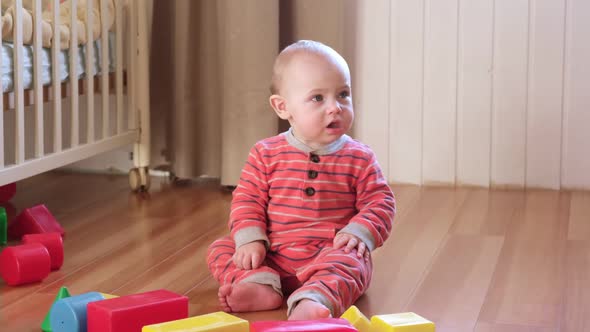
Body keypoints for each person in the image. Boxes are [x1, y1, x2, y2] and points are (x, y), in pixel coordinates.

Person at [206, 40, 396, 321]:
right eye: (318, 98)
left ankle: (315, 298)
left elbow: (381, 202)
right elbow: (248, 200)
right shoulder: (265, 153)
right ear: (283, 107)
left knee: (355, 262)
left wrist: (358, 232)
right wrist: (250, 241)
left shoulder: (359, 157)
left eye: (343, 94)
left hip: (330, 253)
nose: (335, 107)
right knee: (222, 248)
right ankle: (258, 284)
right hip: (272, 253)